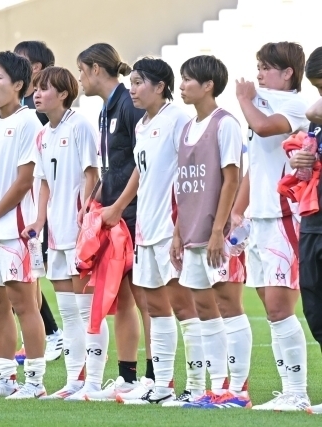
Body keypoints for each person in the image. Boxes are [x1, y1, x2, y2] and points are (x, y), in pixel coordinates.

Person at [85, 56, 205, 406]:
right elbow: (140, 169)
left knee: (182, 306)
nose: (133, 89)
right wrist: (119, 206)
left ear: (160, 87)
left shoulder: (178, 121)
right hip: (145, 228)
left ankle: (196, 387)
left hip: (170, 228)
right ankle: (162, 384)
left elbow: (188, 175)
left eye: (139, 83)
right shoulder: (143, 125)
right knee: (154, 307)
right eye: (132, 82)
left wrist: (184, 225)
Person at [0, 40, 63, 363]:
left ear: (19, 85)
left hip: (16, 228)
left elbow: (25, 181)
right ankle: (5, 376)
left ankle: (35, 380)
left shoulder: (28, 122)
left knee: (25, 304)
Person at [232, 42, 311, 412]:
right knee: (271, 309)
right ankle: (288, 391)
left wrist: (246, 99)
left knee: (281, 307)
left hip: (284, 218)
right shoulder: (260, 107)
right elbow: (255, 167)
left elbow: (263, 129)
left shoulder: (295, 105)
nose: (259, 74)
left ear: (287, 73)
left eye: (266, 67)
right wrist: (237, 211)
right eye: (258, 66)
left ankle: (298, 393)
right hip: (260, 220)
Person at [75, 43, 152, 401]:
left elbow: (142, 161)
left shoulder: (129, 104)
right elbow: (112, 166)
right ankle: (128, 377)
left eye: (81, 70)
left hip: (134, 213)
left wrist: (120, 205)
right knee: (122, 297)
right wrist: (94, 201)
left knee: (145, 297)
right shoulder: (106, 109)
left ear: (95, 69)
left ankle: (156, 376)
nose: (80, 78)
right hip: (114, 213)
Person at [21, 66, 100, 400]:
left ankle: (94, 382)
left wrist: (86, 212)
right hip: (56, 235)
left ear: (64, 94)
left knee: (86, 310)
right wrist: (39, 221)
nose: (37, 93)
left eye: (44, 88)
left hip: (80, 232)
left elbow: (91, 173)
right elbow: (42, 183)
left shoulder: (79, 123)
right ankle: (73, 380)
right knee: (68, 311)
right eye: (36, 89)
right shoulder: (42, 134)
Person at [169, 54, 242, 409]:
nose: (181, 85)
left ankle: (238, 390)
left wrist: (218, 231)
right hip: (191, 231)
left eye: (187, 79)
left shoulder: (224, 123)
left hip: (216, 234)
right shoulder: (185, 128)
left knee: (228, 304)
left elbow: (232, 178)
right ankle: (216, 387)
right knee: (202, 307)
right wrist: (178, 232)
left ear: (208, 85)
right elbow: (182, 186)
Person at [290, 45, 322, 416]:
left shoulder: (318, 109)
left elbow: (312, 110)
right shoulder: (318, 116)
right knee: (315, 307)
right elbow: (310, 126)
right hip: (314, 218)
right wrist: (303, 157)